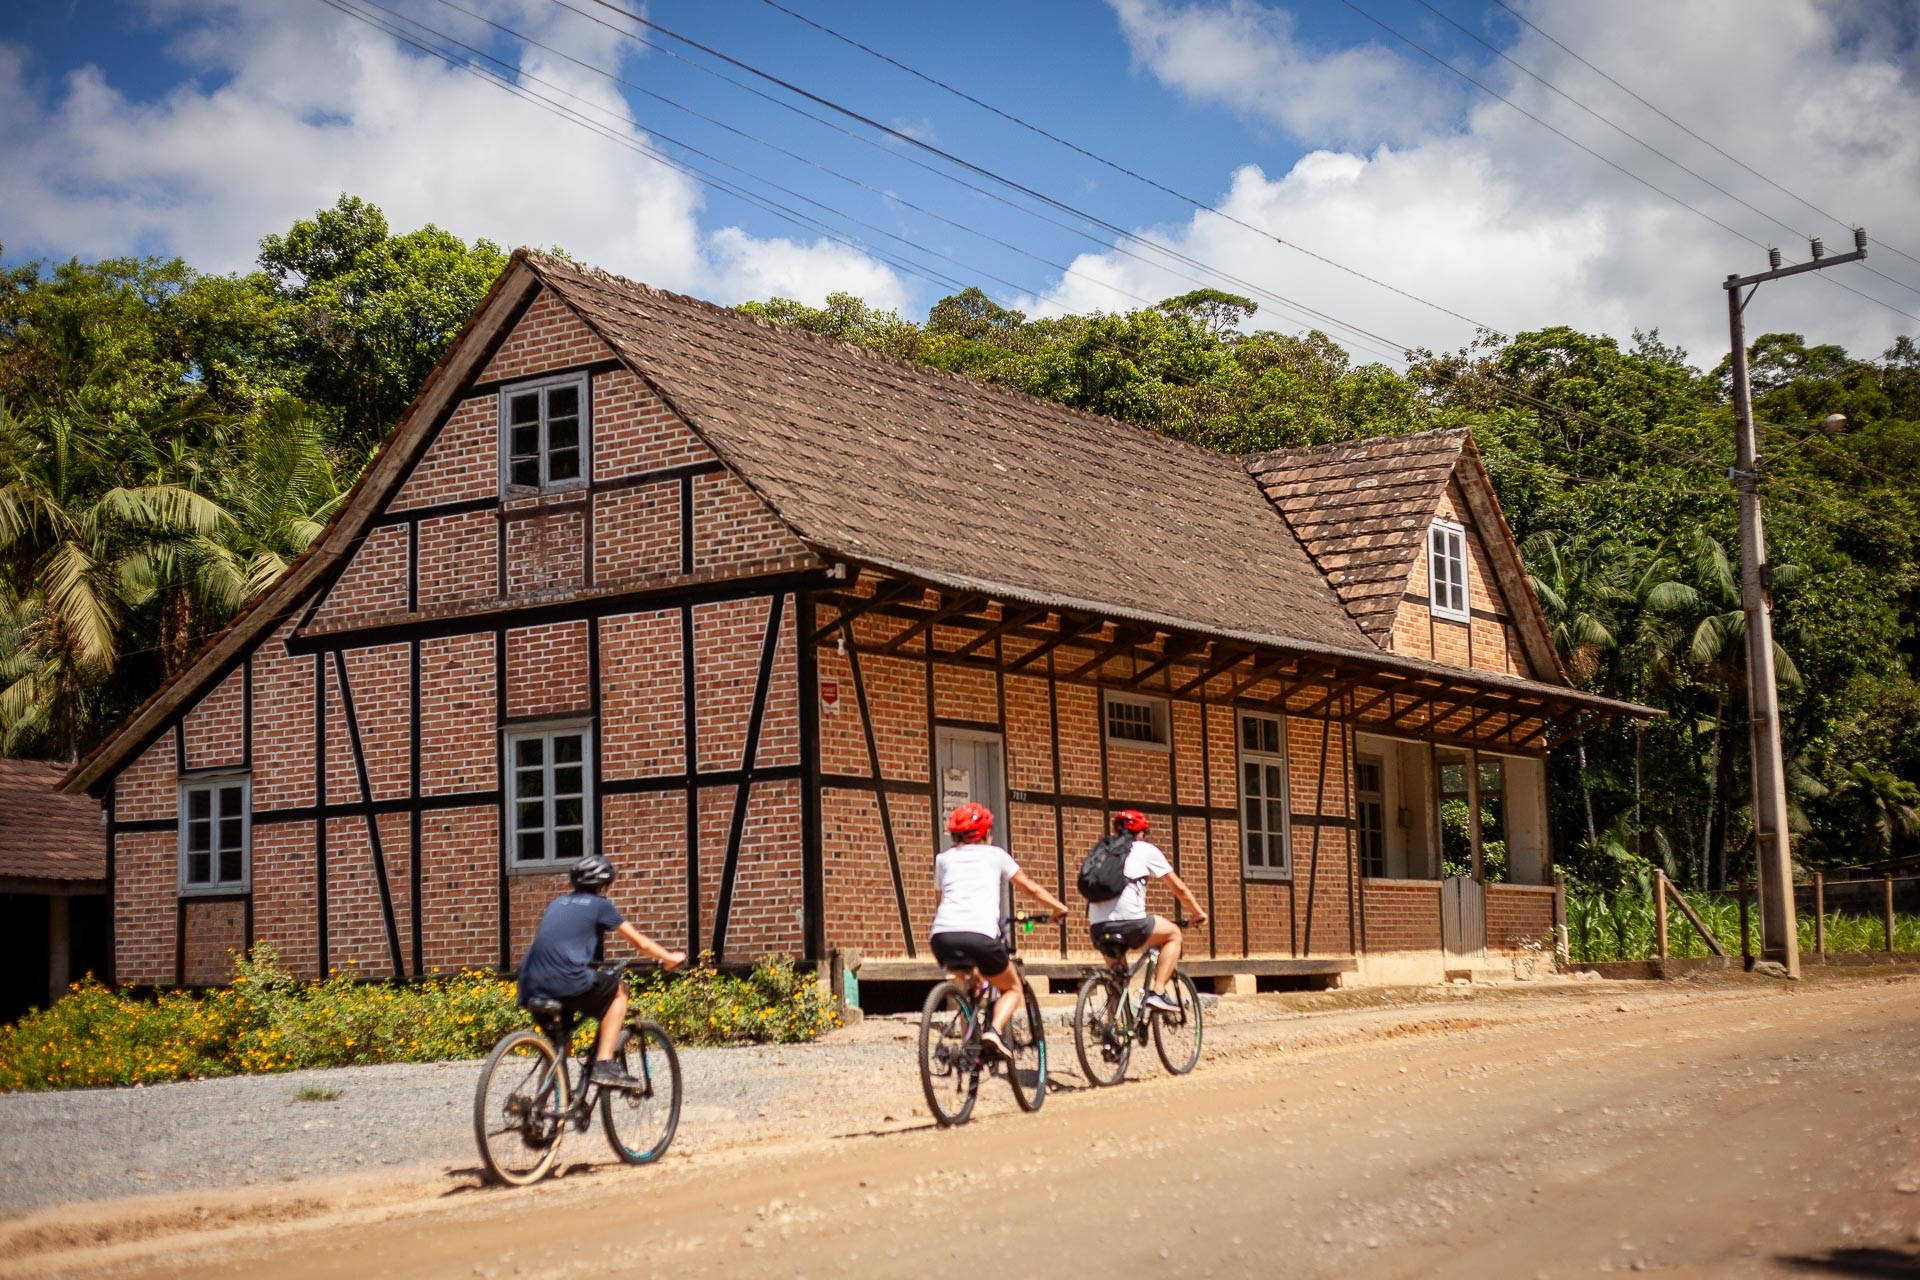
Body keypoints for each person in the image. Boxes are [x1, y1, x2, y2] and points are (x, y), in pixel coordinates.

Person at [516, 851, 686, 1087]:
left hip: (530, 983)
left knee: (558, 1047)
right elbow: (640, 942)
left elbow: (559, 944)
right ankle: (604, 1063)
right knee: (618, 992)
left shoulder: (557, 903)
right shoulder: (599, 905)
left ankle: (544, 1113)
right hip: (567, 980)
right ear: (604, 885)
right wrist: (670, 957)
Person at [928, 802, 1069, 1061]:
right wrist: (1058, 907)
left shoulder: (943, 859)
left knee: (971, 979)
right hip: (980, 935)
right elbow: (1030, 889)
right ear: (986, 833)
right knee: (1012, 988)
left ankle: (969, 1045)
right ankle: (993, 1031)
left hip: (942, 937)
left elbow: (942, 901)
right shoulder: (995, 855)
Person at [1088, 810, 1207, 1014]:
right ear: (1141, 833)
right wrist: (1198, 913)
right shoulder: (1144, 849)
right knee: (1173, 934)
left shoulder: (1102, 850)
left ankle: (1113, 1036)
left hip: (1098, 926)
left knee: (1117, 981)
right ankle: (1158, 992)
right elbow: (1178, 887)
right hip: (1131, 924)